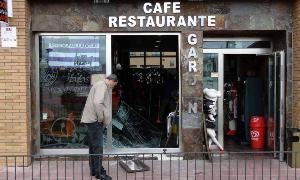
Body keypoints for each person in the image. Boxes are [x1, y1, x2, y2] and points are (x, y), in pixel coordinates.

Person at [81, 74, 118, 180]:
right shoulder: (103, 86)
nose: (112, 87)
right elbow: (98, 103)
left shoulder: (99, 84)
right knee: (98, 147)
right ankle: (99, 173)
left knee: (93, 147)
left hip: (91, 120)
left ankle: (93, 170)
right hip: (95, 121)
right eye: (113, 85)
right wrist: (101, 119)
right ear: (111, 81)